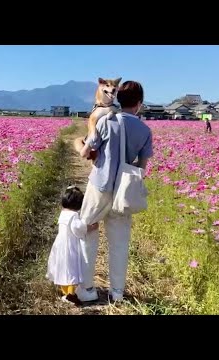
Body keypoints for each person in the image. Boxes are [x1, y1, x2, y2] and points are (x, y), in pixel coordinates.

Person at [76, 81, 154, 302]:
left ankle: (87, 288)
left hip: (99, 187)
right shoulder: (145, 130)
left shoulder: (105, 121)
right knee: (119, 242)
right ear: (139, 104)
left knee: (88, 233)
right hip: (124, 192)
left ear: (118, 99)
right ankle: (117, 292)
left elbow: (87, 151)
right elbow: (142, 167)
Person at [46, 186, 99, 305]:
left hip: (59, 245)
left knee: (61, 270)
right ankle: (71, 295)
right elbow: (77, 228)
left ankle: (66, 294)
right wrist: (90, 227)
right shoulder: (74, 216)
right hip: (69, 246)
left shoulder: (63, 213)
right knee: (71, 271)